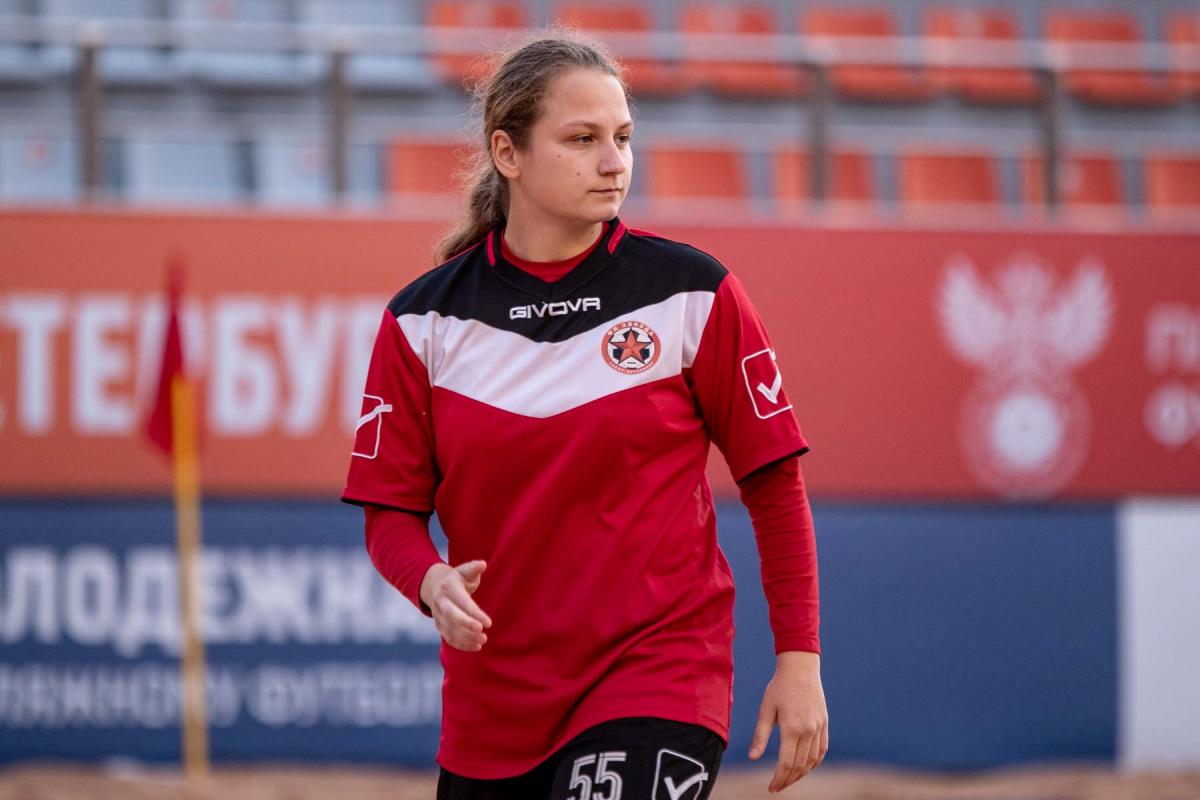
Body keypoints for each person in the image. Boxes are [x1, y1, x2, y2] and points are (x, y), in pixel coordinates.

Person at [341, 32, 827, 799]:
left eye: (623, 137)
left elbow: (774, 483)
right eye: (582, 139)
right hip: (491, 712)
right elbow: (390, 515)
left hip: (659, 672)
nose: (614, 162)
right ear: (507, 153)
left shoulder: (694, 293)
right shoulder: (421, 322)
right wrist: (430, 581)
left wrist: (799, 660)